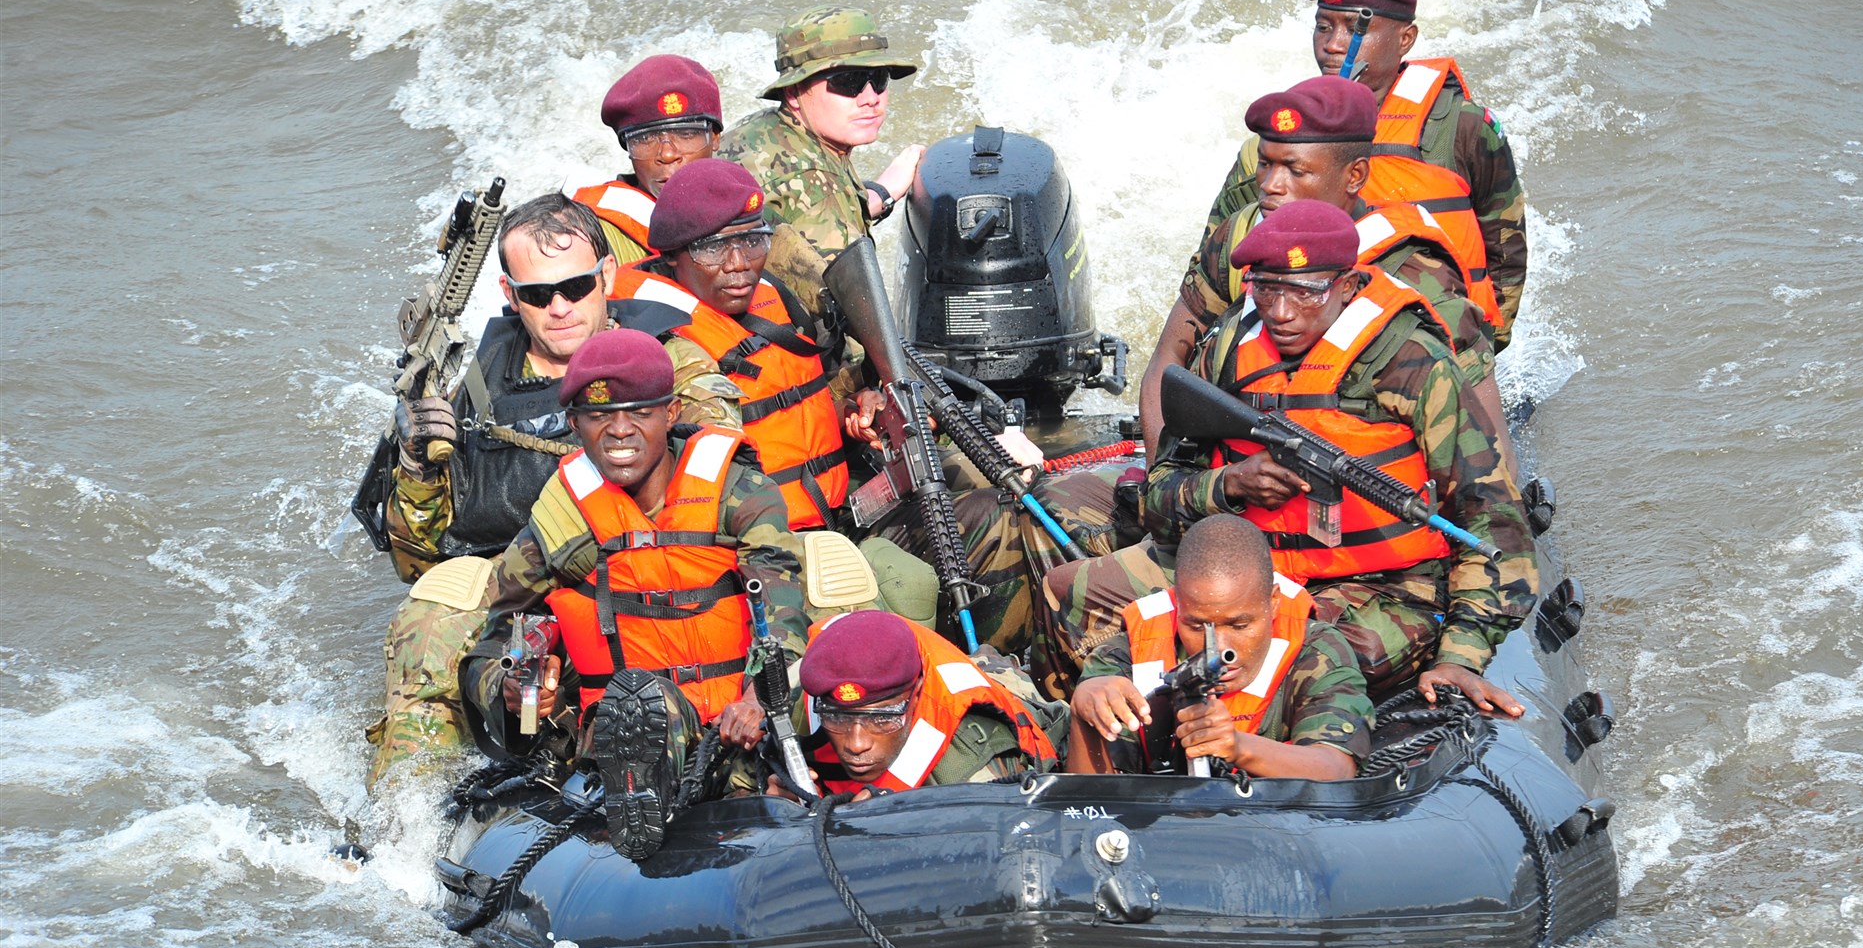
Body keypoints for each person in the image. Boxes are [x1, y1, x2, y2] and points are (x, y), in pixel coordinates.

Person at [1053, 201, 1536, 713]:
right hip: (1240, 570)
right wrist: (1230, 485)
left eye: (1307, 292)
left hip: (1382, 589)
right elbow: (1160, 495)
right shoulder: (1227, 351)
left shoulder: (1413, 367)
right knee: (1074, 593)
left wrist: (1462, 655)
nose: (1282, 312)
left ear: (1348, 287)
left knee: (1289, 662)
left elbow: (1497, 527)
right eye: (1266, 289)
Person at [368, 195, 739, 788]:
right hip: (517, 586)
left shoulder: (667, 365)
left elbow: (715, 474)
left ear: (607, 277)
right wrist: (415, 463)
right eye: (538, 294)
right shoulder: (475, 386)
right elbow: (417, 557)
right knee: (430, 625)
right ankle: (408, 815)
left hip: (637, 571)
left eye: (576, 287)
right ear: (511, 295)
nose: (561, 307)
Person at [461, 328, 811, 859]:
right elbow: (494, 643)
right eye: (600, 416)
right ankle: (636, 826)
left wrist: (762, 699)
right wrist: (513, 693)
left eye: (639, 413)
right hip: (627, 742)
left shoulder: (738, 493)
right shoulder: (561, 525)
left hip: (742, 725)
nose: (620, 431)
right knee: (640, 707)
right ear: (575, 425)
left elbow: (783, 611)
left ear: (670, 414)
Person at [1139, 74, 1517, 479]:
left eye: (1294, 171)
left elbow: (1488, 448)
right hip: (1232, 486)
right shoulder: (1239, 236)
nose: (1269, 186)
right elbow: (1167, 361)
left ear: (1354, 177)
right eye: (1265, 164)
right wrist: (1166, 484)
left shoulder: (1416, 272)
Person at [625, 157, 942, 625]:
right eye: (713, 249)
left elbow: (790, 405)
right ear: (673, 255)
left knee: (984, 514)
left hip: (839, 510)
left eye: (752, 241)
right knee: (907, 591)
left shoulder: (777, 296)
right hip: (752, 550)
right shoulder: (657, 345)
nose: (738, 265)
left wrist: (855, 411)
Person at [1202, 0, 1528, 347]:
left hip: (1436, 345)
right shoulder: (1279, 140)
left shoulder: (1463, 128)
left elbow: (1505, 243)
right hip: (1299, 340)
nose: (1333, 45)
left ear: (1405, 38)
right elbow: (1217, 250)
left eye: (1357, 28)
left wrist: (1489, 344)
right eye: (1323, 27)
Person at [1068, 514, 1373, 780]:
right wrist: (1082, 715)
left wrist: (1239, 748)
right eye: (1197, 626)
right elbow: (1088, 803)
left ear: (1273, 602)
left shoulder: (1318, 652)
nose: (1219, 648)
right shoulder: (1125, 658)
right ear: (1179, 606)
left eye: (1240, 625)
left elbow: (1337, 767)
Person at [718, 7, 927, 265]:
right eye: (849, 82)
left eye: (879, 78)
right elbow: (843, 300)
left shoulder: (760, 130)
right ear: (794, 93)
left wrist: (879, 194)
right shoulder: (815, 189)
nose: (871, 97)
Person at [782, 609, 1063, 799]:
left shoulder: (972, 774)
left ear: (916, 696)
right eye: (839, 718)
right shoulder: (808, 693)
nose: (856, 744)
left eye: (882, 718)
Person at [573, 55, 725, 265]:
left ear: (715, 137)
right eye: (645, 139)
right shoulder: (591, 237)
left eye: (686, 134)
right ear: (627, 148)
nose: (667, 154)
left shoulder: (745, 213)